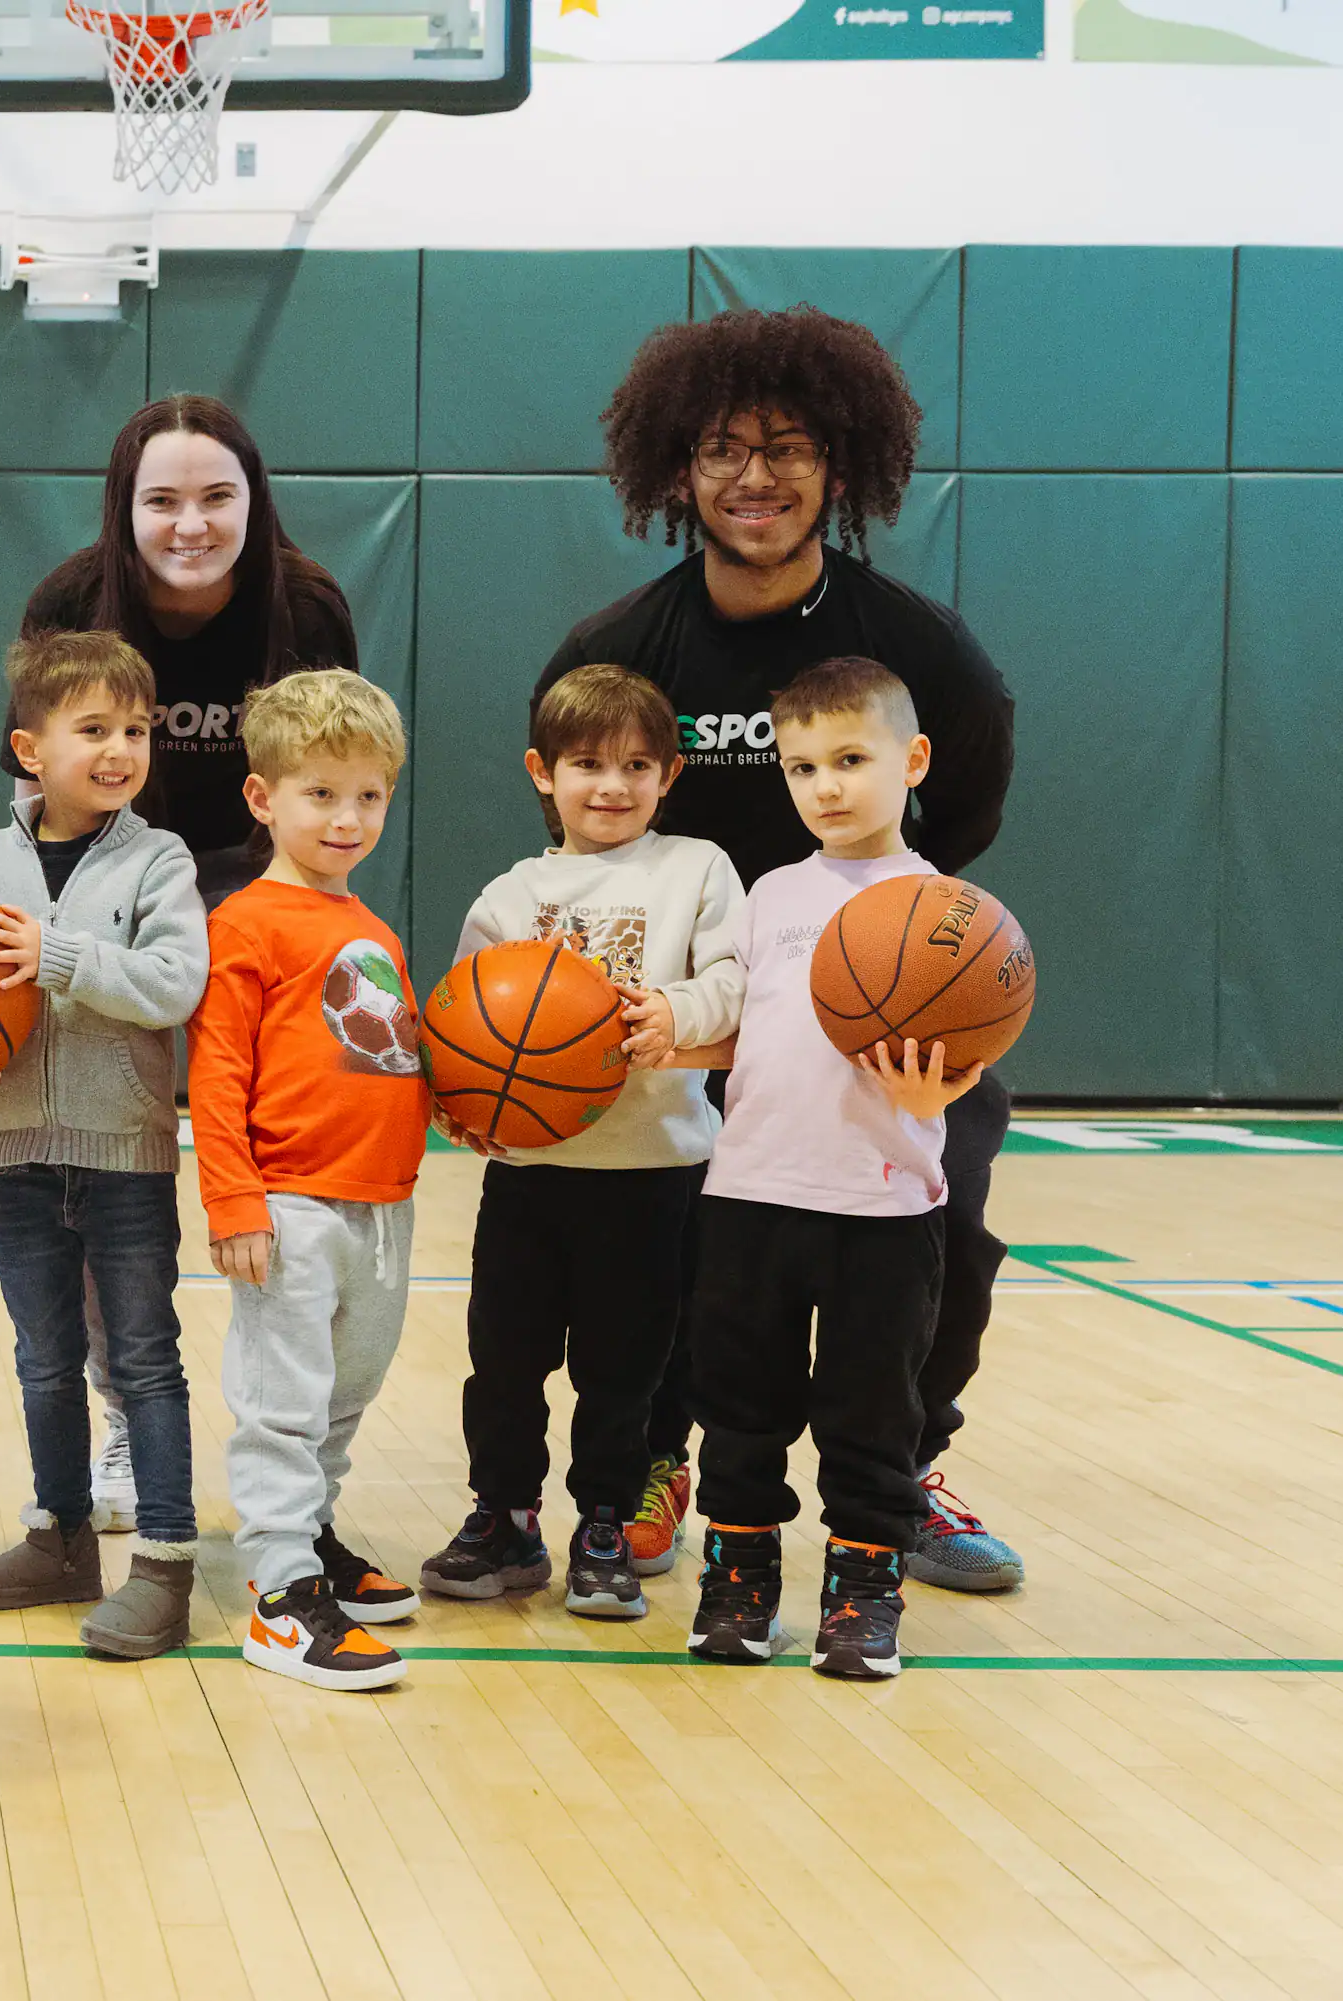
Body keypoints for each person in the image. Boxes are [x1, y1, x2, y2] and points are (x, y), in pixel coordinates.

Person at [542, 308, 1023, 1594]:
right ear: (674, 471)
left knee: (950, 1228)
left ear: (841, 461)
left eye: (789, 447)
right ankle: (658, 1454)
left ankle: (903, 1468)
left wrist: (886, 949)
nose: (755, 477)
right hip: (687, 1004)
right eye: (721, 451)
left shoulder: (921, 652)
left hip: (878, 1011)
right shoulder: (616, 648)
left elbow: (962, 814)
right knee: (673, 1247)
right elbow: (582, 816)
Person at [20, 394, 360, 1529]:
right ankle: (126, 1420)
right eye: (160, 499)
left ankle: (303, 1446)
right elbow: (42, 796)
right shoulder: (73, 602)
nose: (190, 523)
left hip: (266, 878)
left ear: (253, 499)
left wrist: (267, 926)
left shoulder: (304, 605)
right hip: (120, 873)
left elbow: (333, 766)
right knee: (111, 1163)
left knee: (280, 1153)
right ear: (125, 507)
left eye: (216, 496)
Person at [419, 665, 745, 1623]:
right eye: (588, 763)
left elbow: (735, 978)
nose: (613, 784)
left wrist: (675, 1009)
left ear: (669, 774)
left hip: (651, 1173)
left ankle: (603, 1522)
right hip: (528, 1174)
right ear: (540, 771)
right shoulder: (511, 896)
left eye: (638, 765)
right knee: (504, 1361)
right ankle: (505, 1514)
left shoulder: (698, 868)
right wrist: (456, 1096)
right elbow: (460, 1018)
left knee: (625, 1368)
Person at [678, 658, 982, 1681]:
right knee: (740, 1410)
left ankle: (862, 1593)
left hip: (882, 1209)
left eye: (851, 760)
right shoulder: (770, 895)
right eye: (803, 767)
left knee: (871, 1416)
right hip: (751, 1195)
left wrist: (939, 1098)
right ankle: (738, 1579)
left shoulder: (945, 910)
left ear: (914, 760)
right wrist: (661, 1031)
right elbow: (738, 1029)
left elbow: (966, 1060)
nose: (827, 787)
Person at [0, 630, 209, 1660]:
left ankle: (164, 1561)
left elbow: (172, 985)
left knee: (143, 1362)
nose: (120, 749)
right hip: (18, 1148)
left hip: (126, 1154)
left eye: (137, 730)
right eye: (93, 729)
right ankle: (61, 1539)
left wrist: (55, 954)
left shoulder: (161, 859)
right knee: (43, 1361)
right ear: (29, 748)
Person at [186, 669, 424, 1693]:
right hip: (285, 1202)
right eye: (321, 793)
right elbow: (219, 1073)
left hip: (383, 1205)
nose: (347, 816)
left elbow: (392, 1059)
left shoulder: (372, 926)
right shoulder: (246, 923)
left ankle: (312, 1534)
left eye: (368, 795)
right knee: (284, 1403)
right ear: (263, 799)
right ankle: (281, 1594)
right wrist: (233, 1200)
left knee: (344, 1394)